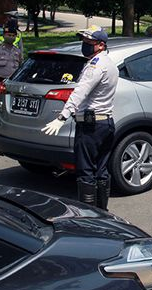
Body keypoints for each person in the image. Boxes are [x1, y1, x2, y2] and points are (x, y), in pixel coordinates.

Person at [42, 26, 118, 210]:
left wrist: (61, 117)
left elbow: (80, 93)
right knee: (101, 170)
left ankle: (89, 216)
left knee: (86, 172)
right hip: (105, 122)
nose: (84, 45)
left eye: (88, 42)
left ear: (100, 45)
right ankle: (102, 213)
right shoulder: (109, 63)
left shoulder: (95, 66)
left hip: (91, 126)